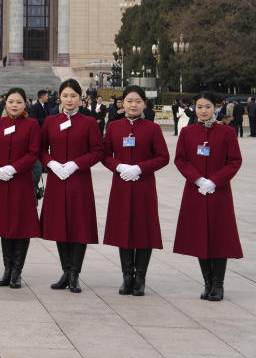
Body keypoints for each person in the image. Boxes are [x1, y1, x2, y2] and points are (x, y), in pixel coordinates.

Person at [173, 91, 243, 301]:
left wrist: (215, 181)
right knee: (200, 236)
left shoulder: (227, 133)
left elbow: (234, 161)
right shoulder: (187, 133)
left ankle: (218, 284)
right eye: (200, 107)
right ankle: (207, 283)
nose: (203, 111)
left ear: (216, 107)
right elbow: (181, 160)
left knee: (219, 236)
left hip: (218, 192)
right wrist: (197, 179)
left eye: (208, 107)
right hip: (195, 191)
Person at [102, 85, 170, 296]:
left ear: (144, 104)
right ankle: (127, 276)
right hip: (121, 184)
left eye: (138, 101)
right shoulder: (114, 126)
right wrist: (119, 166)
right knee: (123, 229)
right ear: (123, 103)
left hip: (143, 186)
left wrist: (140, 168)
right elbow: (104, 154)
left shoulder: (152, 128)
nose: (133, 105)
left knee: (143, 229)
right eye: (129, 101)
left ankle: (140, 277)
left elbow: (163, 157)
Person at [40, 79, 103, 293]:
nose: (69, 100)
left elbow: (97, 151)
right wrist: (51, 163)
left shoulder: (89, 123)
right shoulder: (50, 121)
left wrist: (77, 164)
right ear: (60, 97)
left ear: (80, 98)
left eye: (73, 96)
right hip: (57, 179)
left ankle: (75, 273)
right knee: (59, 226)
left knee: (78, 226)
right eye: (65, 96)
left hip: (79, 180)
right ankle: (65, 271)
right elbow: (40, 149)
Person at [0, 87, 41, 289]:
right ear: (5, 103)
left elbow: (33, 152)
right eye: (10, 101)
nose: (14, 105)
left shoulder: (31, 125)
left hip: (21, 182)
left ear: (25, 104)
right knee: (4, 225)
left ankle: (17, 271)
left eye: (18, 102)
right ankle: (7, 269)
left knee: (21, 227)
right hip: (0, 181)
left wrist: (14, 168)